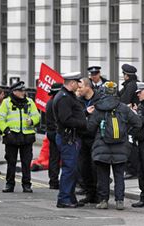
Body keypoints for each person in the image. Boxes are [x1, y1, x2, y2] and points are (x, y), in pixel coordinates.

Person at [88, 81, 142, 210]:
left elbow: (90, 128)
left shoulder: (98, 108)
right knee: (119, 176)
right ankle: (119, 201)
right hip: (121, 147)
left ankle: (103, 201)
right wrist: (128, 135)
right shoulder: (123, 107)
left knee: (103, 177)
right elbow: (138, 123)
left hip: (101, 147)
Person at [0, 81, 41, 193]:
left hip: (26, 137)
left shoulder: (30, 102)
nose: (23, 92)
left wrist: (32, 121)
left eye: (24, 90)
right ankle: (9, 184)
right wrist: (7, 131)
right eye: (21, 91)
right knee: (11, 162)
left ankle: (27, 185)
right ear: (14, 92)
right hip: (11, 137)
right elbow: (0, 119)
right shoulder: (6, 103)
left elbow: (37, 116)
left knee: (26, 162)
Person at [53, 72, 88, 208]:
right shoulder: (64, 98)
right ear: (72, 83)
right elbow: (66, 119)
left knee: (73, 169)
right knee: (69, 168)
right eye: (77, 83)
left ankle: (70, 197)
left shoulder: (68, 96)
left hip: (71, 137)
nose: (78, 85)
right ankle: (64, 199)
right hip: (68, 138)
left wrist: (84, 114)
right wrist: (83, 123)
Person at [76, 77, 103, 204]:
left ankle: (99, 195)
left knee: (95, 168)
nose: (78, 89)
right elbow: (75, 116)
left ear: (88, 87)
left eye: (80, 87)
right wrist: (85, 112)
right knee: (84, 168)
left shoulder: (99, 99)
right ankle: (89, 194)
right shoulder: (78, 101)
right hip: (82, 138)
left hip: (96, 138)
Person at [46, 83, 63, 189]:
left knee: (53, 158)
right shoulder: (58, 103)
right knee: (64, 157)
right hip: (58, 133)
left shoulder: (49, 102)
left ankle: (53, 180)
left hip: (51, 132)